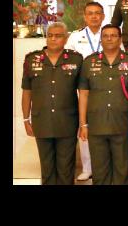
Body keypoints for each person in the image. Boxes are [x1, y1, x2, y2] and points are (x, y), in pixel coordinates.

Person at [77, 24, 128, 185]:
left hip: (123, 125)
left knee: (122, 171)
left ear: (120, 40)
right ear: (101, 39)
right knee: (100, 172)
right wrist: (83, 124)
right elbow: (83, 94)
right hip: (97, 126)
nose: (109, 38)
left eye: (113, 35)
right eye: (106, 36)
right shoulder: (89, 62)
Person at [21, 22, 83, 184]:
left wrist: (83, 123)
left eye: (58, 35)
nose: (53, 39)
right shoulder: (32, 59)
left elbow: (84, 93)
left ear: (66, 38)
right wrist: (26, 119)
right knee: (47, 167)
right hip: (42, 122)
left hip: (68, 122)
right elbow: (27, 92)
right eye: (50, 35)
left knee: (66, 169)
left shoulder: (76, 60)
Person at [66, 1, 106, 181]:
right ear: (85, 16)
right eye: (90, 13)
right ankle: (87, 167)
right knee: (84, 126)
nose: (94, 16)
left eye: (97, 13)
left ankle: (102, 166)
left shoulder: (111, 34)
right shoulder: (76, 37)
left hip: (106, 88)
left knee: (104, 125)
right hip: (83, 87)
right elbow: (68, 59)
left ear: (103, 16)